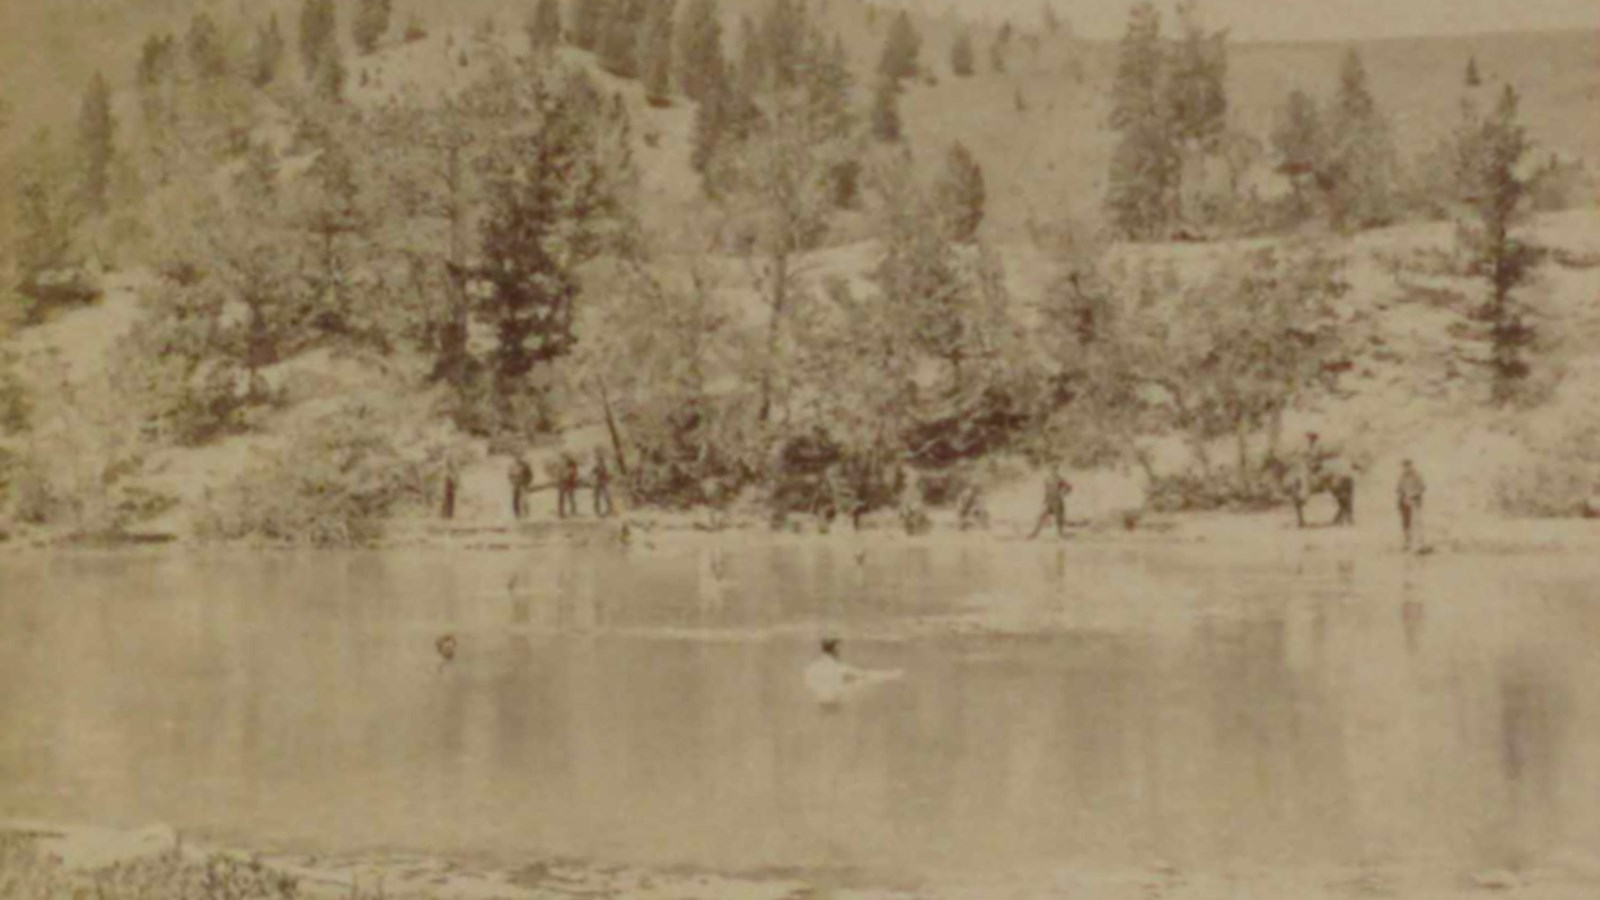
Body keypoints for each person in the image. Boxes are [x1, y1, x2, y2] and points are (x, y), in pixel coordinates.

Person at [803, 638, 902, 709]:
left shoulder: (810, 668)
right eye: (838, 650)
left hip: (819, 693)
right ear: (835, 651)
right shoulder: (839, 667)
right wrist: (892, 675)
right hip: (835, 692)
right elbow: (865, 675)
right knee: (862, 684)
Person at [1029, 465, 1073, 540]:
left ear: (1056, 470)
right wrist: (1044, 500)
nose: (1053, 471)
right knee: (1042, 517)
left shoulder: (1060, 479)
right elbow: (1046, 491)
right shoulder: (1047, 479)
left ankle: (1061, 534)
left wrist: (1063, 493)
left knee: (1059, 518)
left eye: (1054, 469)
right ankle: (1034, 534)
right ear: (1049, 470)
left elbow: (1069, 487)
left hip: (1057, 501)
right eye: (1051, 470)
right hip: (1049, 501)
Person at [1397, 459, 1426, 551]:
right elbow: (1398, 488)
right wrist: (1404, 497)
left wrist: (1413, 495)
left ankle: (1419, 544)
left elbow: (1422, 487)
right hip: (1404, 501)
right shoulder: (1402, 476)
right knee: (1406, 522)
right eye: (1405, 466)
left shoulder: (1417, 475)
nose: (1406, 468)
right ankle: (1407, 542)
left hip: (1415, 501)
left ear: (1411, 465)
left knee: (1417, 522)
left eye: (1408, 465)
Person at [508, 455, 533, 520]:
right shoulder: (512, 466)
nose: (518, 459)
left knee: (524, 499)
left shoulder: (525, 465)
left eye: (519, 457)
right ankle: (517, 514)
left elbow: (530, 475)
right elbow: (509, 475)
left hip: (523, 484)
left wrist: (527, 482)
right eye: (517, 457)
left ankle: (526, 514)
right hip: (516, 484)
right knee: (515, 499)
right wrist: (512, 481)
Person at [557, 453, 580, 519]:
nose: (563, 459)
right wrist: (559, 480)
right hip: (562, 482)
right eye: (562, 458)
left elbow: (574, 473)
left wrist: (571, 477)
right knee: (561, 497)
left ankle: (573, 510)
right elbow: (559, 474)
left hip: (569, 482)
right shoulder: (561, 465)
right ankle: (561, 512)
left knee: (571, 496)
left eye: (564, 458)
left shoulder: (571, 464)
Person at [592, 449, 614, 518]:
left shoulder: (604, 466)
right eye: (598, 460)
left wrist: (607, 478)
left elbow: (608, 474)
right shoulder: (597, 466)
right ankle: (597, 510)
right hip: (599, 482)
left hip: (603, 482)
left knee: (606, 496)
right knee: (597, 496)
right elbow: (593, 472)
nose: (599, 461)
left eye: (600, 460)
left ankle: (609, 509)